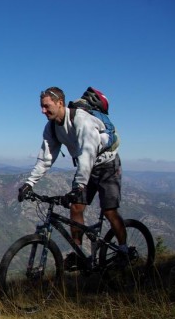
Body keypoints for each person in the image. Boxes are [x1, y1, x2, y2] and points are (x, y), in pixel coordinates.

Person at [17, 86, 128, 268]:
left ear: (60, 103)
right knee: (76, 208)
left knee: (109, 211)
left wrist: (78, 186)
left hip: (107, 165)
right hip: (87, 169)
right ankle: (79, 253)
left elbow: (87, 155)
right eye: (41, 107)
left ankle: (123, 249)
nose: (42, 111)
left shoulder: (82, 121)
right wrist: (29, 183)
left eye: (46, 106)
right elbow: (46, 158)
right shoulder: (51, 128)